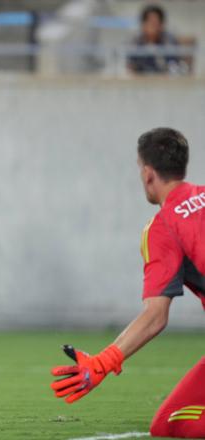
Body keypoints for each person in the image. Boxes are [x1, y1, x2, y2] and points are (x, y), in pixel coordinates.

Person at [50, 128, 205, 438]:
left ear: (148, 173)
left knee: (169, 424)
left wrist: (102, 363)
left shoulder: (163, 227)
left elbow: (155, 315)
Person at [127, 5, 187, 75]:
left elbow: (175, 66)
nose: (153, 27)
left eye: (156, 23)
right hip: (141, 83)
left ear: (162, 25)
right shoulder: (136, 42)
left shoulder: (170, 41)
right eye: (150, 23)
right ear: (143, 24)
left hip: (166, 82)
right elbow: (130, 67)